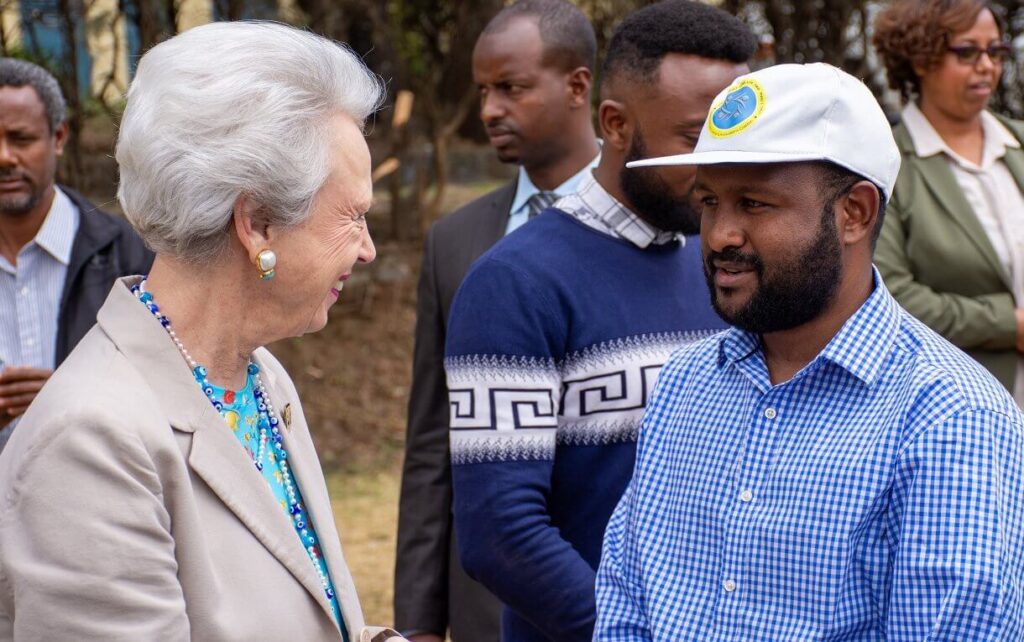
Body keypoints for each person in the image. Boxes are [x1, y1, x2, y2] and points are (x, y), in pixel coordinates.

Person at [593, 62, 1024, 640]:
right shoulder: (684, 383)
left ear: (855, 213)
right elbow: (625, 596)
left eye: (755, 203)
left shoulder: (950, 420)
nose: (720, 234)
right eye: (710, 201)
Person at [0, 22, 400, 641]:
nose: (369, 249)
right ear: (258, 222)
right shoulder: (88, 442)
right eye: (352, 217)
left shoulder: (260, 378)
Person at [443, 2, 755, 640]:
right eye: (696, 139)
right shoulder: (514, 284)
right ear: (615, 124)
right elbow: (501, 532)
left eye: (736, 141)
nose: (721, 168)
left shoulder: (726, 263)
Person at [394, 2, 600, 640]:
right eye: (483, 90)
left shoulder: (653, 236)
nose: (488, 110)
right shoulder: (455, 241)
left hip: (610, 590)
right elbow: (433, 439)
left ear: (578, 86)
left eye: (511, 88)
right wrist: (421, 619)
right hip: (486, 603)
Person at [873, 0, 1024, 408]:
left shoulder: (1019, 142)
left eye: (995, 51)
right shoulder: (888, 164)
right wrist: (1009, 326)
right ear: (921, 58)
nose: (987, 66)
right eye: (968, 52)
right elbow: (891, 294)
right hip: (965, 399)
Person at [0, 58, 152, 451]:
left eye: (21, 139)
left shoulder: (128, 255)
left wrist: (72, 403)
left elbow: (173, 387)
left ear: (59, 137)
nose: (5, 157)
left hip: (95, 496)